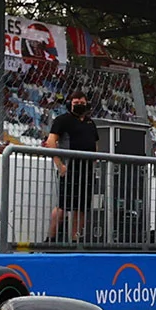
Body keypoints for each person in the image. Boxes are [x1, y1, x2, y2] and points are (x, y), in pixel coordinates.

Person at [45, 91, 99, 242]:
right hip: (70, 168)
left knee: (81, 208)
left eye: (82, 103)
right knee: (62, 206)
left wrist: (93, 163)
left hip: (87, 170)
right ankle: (51, 239)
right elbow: (50, 142)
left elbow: (95, 144)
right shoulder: (63, 120)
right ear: (70, 104)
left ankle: (76, 240)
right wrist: (60, 164)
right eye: (76, 103)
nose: (79, 106)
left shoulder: (90, 123)